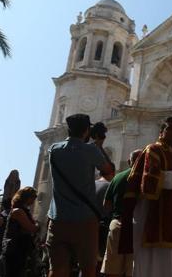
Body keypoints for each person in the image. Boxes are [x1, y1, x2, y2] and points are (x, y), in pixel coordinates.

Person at [121, 116, 172, 277]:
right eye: (170, 128)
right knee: (154, 265)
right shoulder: (153, 150)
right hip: (154, 215)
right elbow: (149, 182)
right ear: (161, 132)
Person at [46, 113, 114, 277]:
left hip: (58, 218)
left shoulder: (53, 150)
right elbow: (109, 173)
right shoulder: (91, 150)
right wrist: (98, 145)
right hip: (85, 220)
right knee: (88, 269)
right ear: (86, 130)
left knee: (57, 269)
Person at [100, 149, 142, 277]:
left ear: (129, 162)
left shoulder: (117, 177)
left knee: (113, 269)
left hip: (117, 223)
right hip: (136, 226)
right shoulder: (145, 177)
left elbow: (106, 205)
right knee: (133, 270)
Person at [0, 187, 39, 277]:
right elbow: (31, 228)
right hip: (16, 248)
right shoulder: (18, 211)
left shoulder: (24, 211)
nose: (34, 199)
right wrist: (38, 226)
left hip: (22, 247)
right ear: (26, 197)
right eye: (33, 196)